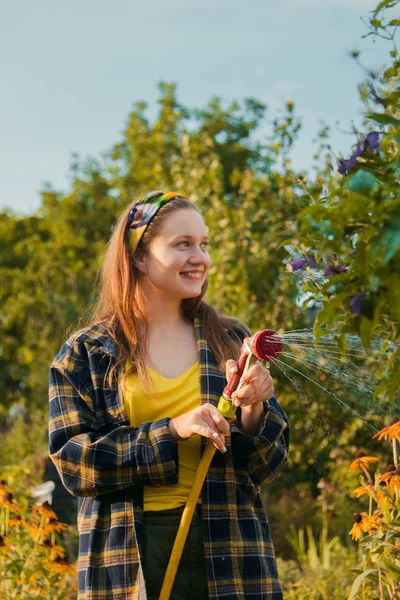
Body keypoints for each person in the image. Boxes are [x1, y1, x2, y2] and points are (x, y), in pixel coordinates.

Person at [48, 191, 290, 600]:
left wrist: (255, 408)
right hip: (128, 556)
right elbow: (74, 464)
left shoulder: (230, 339)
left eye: (204, 245)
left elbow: (267, 464)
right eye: (183, 244)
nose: (201, 258)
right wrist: (172, 431)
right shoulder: (87, 352)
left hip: (229, 546)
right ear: (139, 257)